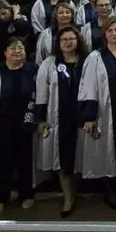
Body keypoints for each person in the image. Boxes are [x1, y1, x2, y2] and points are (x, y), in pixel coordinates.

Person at [0, 37, 40, 214]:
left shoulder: (34, 71)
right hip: (0, 126)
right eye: (12, 48)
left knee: (26, 160)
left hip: (27, 124)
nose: (17, 51)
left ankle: (27, 194)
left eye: (20, 48)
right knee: (1, 161)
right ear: (5, 52)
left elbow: (42, 98)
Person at [35, 26, 88, 216]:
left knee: (80, 157)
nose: (67, 42)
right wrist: (40, 119)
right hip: (58, 117)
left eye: (71, 38)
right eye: (63, 39)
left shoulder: (87, 61)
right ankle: (67, 197)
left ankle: (76, 191)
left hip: (82, 117)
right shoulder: (49, 64)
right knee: (63, 159)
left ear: (78, 40)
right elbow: (41, 93)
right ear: (58, 42)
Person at [77, 16, 116, 208]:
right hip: (105, 112)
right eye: (111, 30)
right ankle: (110, 191)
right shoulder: (96, 57)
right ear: (104, 33)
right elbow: (88, 86)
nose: (115, 33)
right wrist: (89, 116)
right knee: (107, 151)